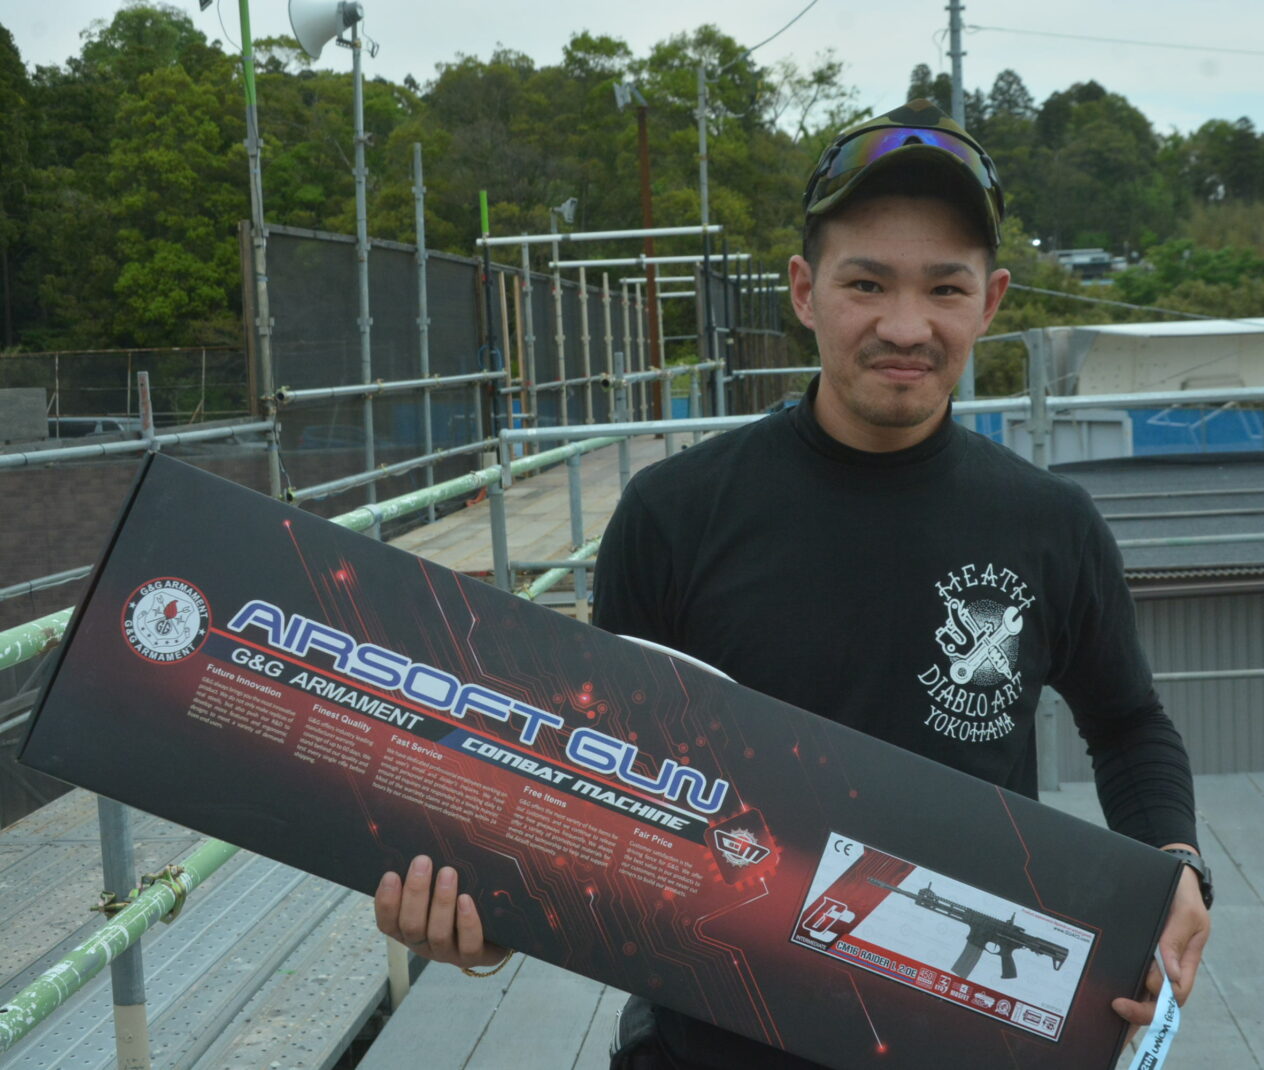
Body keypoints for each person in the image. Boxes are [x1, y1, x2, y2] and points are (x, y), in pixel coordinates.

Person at [374, 99, 1211, 1069]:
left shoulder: (1051, 525)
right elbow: (597, 781)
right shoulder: (674, 514)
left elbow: (1127, 722)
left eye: (944, 287)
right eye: (867, 283)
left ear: (990, 302)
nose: (906, 325)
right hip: (708, 1045)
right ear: (805, 291)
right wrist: (493, 916)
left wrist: (1176, 862)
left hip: (959, 1038)